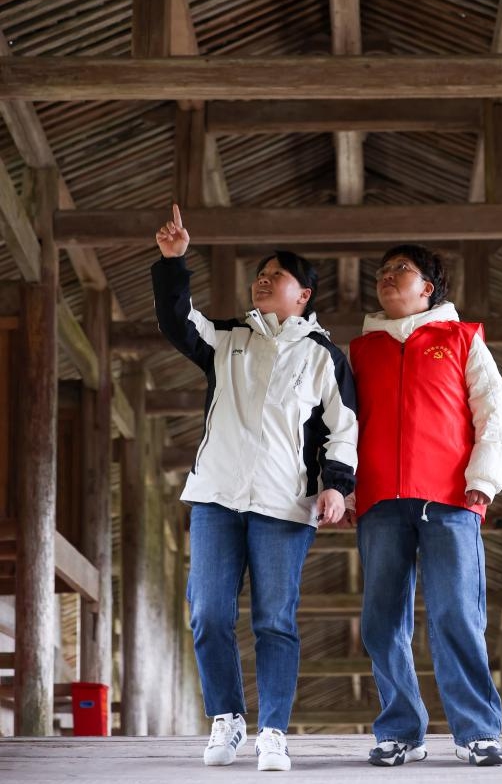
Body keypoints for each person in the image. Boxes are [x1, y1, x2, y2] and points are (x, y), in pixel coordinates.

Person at [152, 205, 358, 771]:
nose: (263, 280)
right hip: (217, 497)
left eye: (278, 275)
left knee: (273, 620)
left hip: (284, 506)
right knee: (209, 613)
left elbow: (344, 430)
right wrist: (174, 264)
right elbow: (178, 322)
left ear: (304, 295)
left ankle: (273, 730)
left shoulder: (323, 358)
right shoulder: (227, 338)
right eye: (260, 274)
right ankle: (227, 717)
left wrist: (337, 487)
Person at [349, 244, 502, 768]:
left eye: (402, 269)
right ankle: (401, 730)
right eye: (383, 269)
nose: (388, 276)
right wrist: (347, 489)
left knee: (456, 614)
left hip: (450, 500)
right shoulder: (359, 351)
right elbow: (340, 427)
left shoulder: (463, 340)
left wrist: (482, 481)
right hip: (379, 502)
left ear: (429, 288)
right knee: (380, 622)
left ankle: (477, 731)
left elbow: (493, 416)